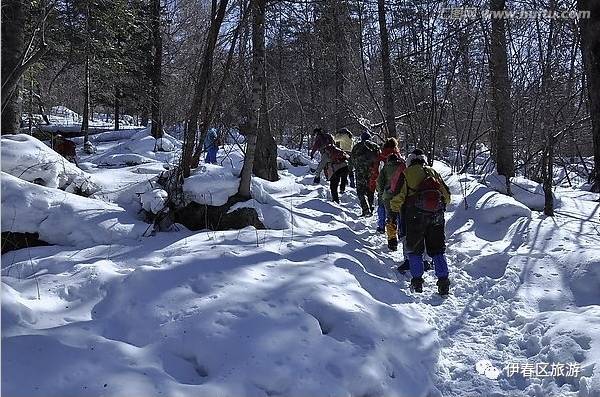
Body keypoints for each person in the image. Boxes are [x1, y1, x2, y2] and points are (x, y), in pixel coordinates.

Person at [390, 148, 452, 295]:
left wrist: (393, 212)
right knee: (438, 250)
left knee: (415, 249)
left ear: (410, 160)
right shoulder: (433, 172)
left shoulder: (406, 173)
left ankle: (417, 282)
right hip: (436, 216)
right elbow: (447, 197)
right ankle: (443, 282)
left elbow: (398, 197)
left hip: (415, 217)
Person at [376, 152, 406, 252]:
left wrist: (382, 193)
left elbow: (379, 182)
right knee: (402, 217)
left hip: (388, 197)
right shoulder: (403, 167)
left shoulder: (385, 168)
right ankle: (403, 236)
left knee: (391, 218)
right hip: (402, 196)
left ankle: (392, 242)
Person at [369, 138, 400, 233]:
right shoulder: (398, 156)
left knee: (382, 206)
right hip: (398, 187)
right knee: (396, 208)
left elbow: (376, 171)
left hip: (384, 186)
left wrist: (373, 184)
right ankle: (398, 227)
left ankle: (381, 226)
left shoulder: (381, 156)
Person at [350, 131, 380, 216]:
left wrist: (351, 173)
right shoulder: (375, 146)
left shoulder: (356, 147)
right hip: (372, 172)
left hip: (360, 172)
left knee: (360, 191)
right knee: (370, 190)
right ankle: (370, 207)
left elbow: (351, 161)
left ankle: (365, 208)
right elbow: (379, 159)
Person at [314, 134, 350, 203]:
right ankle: (343, 188)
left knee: (333, 186)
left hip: (336, 170)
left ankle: (335, 202)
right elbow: (347, 157)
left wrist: (317, 176)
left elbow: (321, 165)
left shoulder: (326, 153)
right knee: (342, 176)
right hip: (345, 167)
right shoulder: (337, 149)